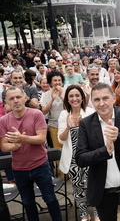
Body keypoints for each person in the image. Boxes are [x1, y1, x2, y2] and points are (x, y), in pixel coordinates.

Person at [75, 83, 120, 221]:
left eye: (105, 98)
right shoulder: (86, 124)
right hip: (103, 191)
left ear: (113, 98)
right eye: (96, 100)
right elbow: (80, 158)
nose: (101, 103)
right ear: (92, 102)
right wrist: (105, 151)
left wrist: (118, 137)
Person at [0, 87, 62, 221]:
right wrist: (15, 145)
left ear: (25, 97)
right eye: (11, 98)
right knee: (27, 202)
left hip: (40, 166)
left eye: (18, 97)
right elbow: (4, 146)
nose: (16, 101)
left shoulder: (36, 114)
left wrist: (22, 139)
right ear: (6, 102)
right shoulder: (3, 120)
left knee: (50, 199)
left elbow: (41, 139)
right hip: (19, 169)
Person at [58, 85, 98, 221]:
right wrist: (69, 127)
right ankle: (83, 214)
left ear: (82, 97)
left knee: (93, 186)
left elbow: (96, 137)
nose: (74, 99)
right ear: (67, 99)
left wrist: (82, 127)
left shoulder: (90, 112)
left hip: (89, 156)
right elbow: (61, 139)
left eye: (77, 95)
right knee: (77, 188)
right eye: (71, 96)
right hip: (72, 159)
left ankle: (97, 213)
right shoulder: (64, 114)